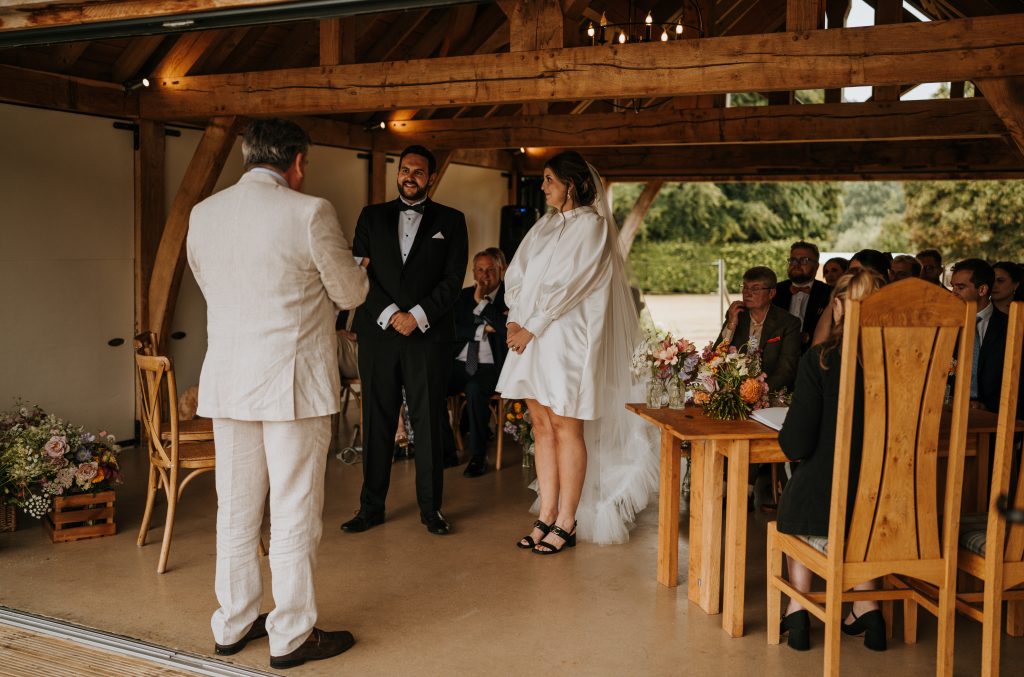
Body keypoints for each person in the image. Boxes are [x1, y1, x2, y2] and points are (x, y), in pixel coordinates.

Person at [187, 119, 368, 669]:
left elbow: (208, 282)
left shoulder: (203, 213)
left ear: (247, 157)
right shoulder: (309, 212)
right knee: (293, 512)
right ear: (297, 162)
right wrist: (355, 272)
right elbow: (349, 290)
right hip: (292, 385)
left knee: (236, 510)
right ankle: (291, 633)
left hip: (229, 382)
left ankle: (234, 621)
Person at [496, 150, 657, 551]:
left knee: (567, 425)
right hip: (528, 337)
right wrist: (515, 320)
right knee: (540, 423)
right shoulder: (544, 226)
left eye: (550, 179)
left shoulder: (594, 227)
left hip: (567, 340)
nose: (544, 186)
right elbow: (516, 273)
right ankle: (545, 514)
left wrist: (533, 326)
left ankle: (567, 520)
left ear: (570, 184)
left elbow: (574, 284)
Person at [343, 145, 468, 536]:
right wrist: (389, 315)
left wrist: (416, 317)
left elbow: (452, 281)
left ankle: (432, 511)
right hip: (378, 334)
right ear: (398, 174)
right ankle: (371, 508)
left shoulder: (452, 220)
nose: (409, 176)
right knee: (377, 420)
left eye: (418, 171)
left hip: (427, 337)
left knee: (428, 422)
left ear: (430, 178)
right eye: (404, 170)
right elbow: (358, 273)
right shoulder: (371, 217)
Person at [776, 268, 888, 653]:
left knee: (797, 493)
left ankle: (798, 608)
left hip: (829, 505)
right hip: (890, 506)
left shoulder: (821, 360)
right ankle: (867, 606)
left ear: (837, 307)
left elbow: (795, 444)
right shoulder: (903, 361)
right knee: (860, 492)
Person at [443, 250, 508, 478]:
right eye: (479, 270)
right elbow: (451, 330)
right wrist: (482, 329)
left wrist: (482, 304)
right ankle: (447, 450)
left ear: (501, 271)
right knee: (432, 383)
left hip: (492, 367)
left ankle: (478, 457)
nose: (484, 276)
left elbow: (507, 329)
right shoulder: (461, 297)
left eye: (490, 270)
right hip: (463, 362)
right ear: (473, 272)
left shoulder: (509, 297)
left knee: (474, 389)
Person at [717, 266, 801, 392]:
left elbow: (786, 369)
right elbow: (716, 357)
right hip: (734, 391)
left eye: (755, 289)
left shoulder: (788, 323)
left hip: (770, 392)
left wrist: (757, 390)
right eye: (745, 287)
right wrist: (731, 324)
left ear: (771, 293)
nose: (747, 293)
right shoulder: (737, 315)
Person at [950, 258, 1007, 413]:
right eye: (952, 286)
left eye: (960, 287)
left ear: (982, 290)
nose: (953, 293)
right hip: (948, 411)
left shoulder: (1009, 326)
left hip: (994, 416)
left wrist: (989, 407)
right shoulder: (945, 324)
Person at [772, 241, 831, 352]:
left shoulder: (828, 294)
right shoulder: (774, 291)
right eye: (793, 260)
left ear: (817, 266)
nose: (796, 265)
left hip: (813, 356)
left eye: (804, 260)